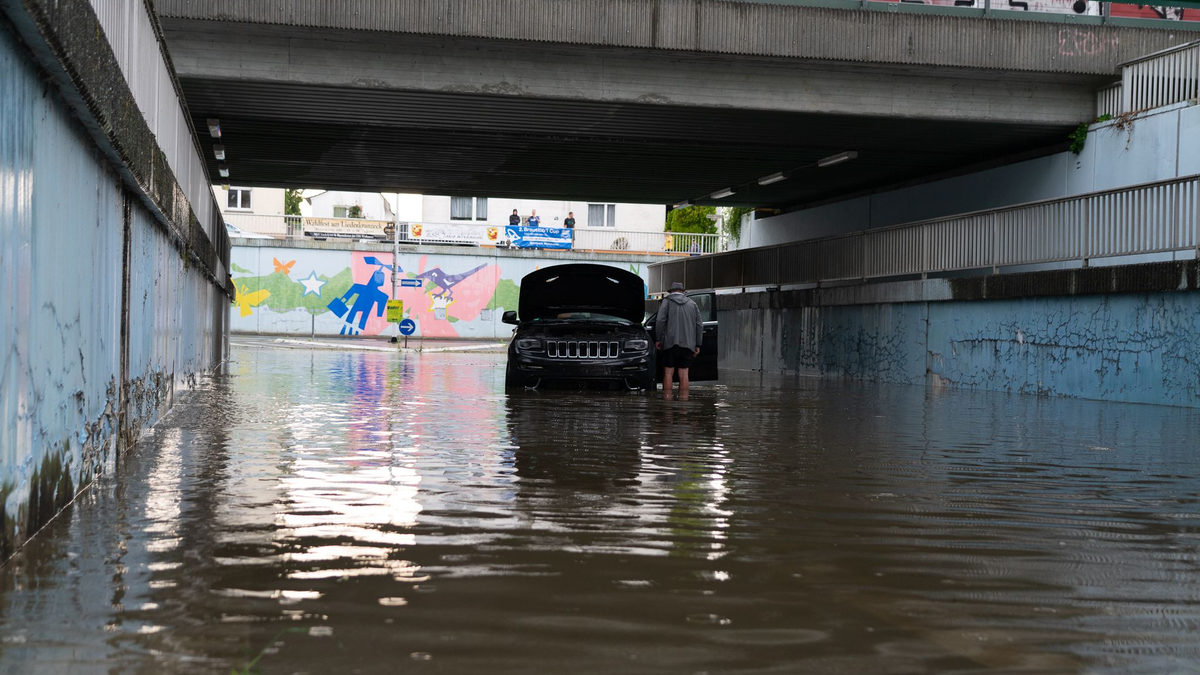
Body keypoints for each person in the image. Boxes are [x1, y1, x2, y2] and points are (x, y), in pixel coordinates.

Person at [655, 281, 703, 397]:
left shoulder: (666, 302)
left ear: (671, 291)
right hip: (688, 344)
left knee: (668, 373)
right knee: (684, 373)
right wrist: (698, 344)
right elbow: (699, 325)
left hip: (669, 343)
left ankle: (667, 403)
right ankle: (683, 404)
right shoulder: (692, 304)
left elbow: (660, 321)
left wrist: (658, 339)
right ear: (683, 291)